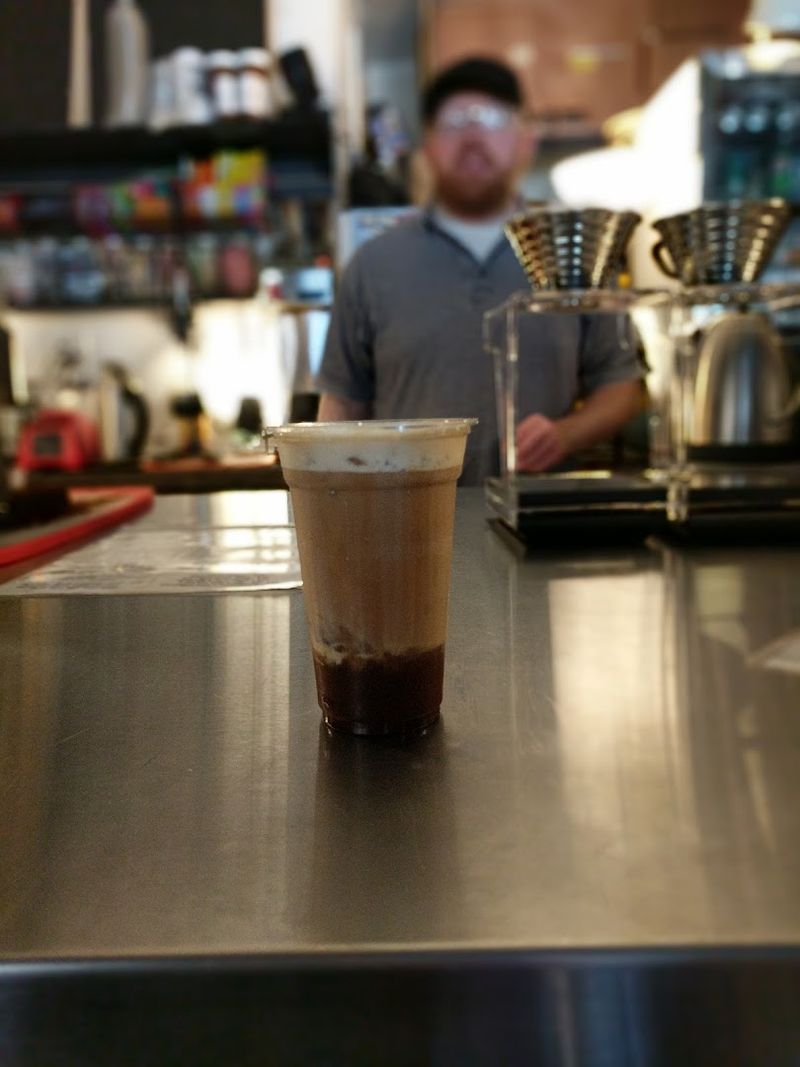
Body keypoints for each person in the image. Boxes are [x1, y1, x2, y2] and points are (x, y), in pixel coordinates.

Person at [317, 57, 643, 485]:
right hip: (405, 525)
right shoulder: (373, 265)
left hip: (542, 523)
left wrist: (565, 435)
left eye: (492, 118)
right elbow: (342, 404)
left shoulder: (573, 254)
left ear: (526, 140)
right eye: (454, 122)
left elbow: (622, 385)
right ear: (428, 147)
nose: (473, 136)